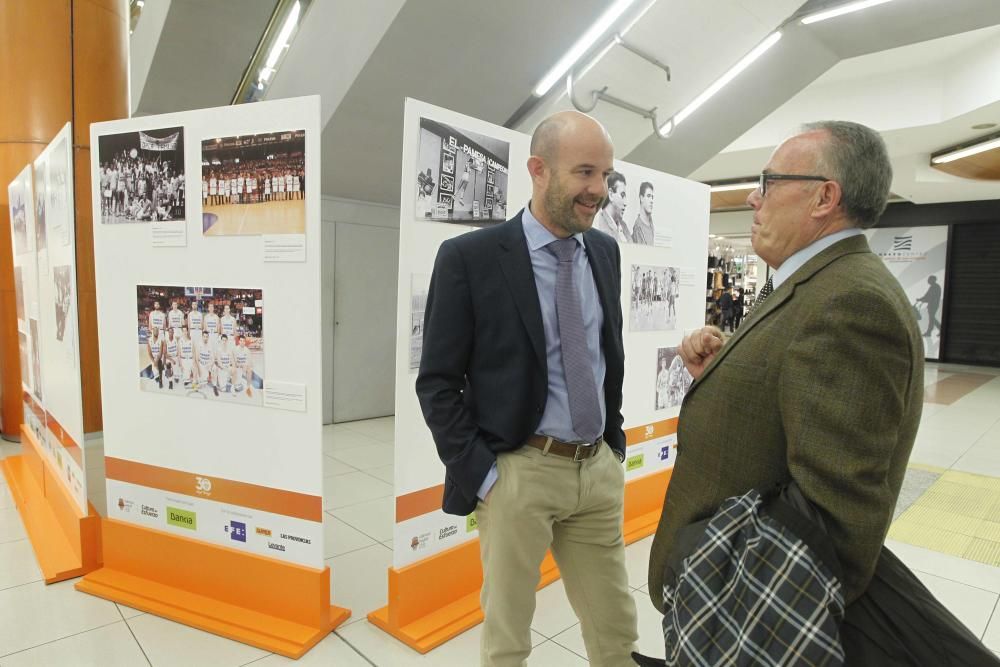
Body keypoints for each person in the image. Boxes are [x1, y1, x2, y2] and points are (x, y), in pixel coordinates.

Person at [647, 122, 924, 633]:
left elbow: (836, 518)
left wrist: (727, 611)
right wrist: (726, 374)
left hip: (742, 615)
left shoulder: (851, 303)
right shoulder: (815, 283)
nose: (754, 197)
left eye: (769, 182)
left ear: (824, 197)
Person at [416, 110, 638, 666]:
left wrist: (613, 449)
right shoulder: (470, 258)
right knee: (508, 639)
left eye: (606, 175)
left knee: (616, 632)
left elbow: (606, 354)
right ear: (539, 170)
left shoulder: (605, 253)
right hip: (519, 472)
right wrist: (486, 477)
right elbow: (438, 381)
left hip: (597, 472)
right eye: (585, 173)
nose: (599, 191)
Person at [593, 171, 631, 243]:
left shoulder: (624, 226)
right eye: (622, 195)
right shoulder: (599, 224)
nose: (625, 203)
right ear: (610, 194)